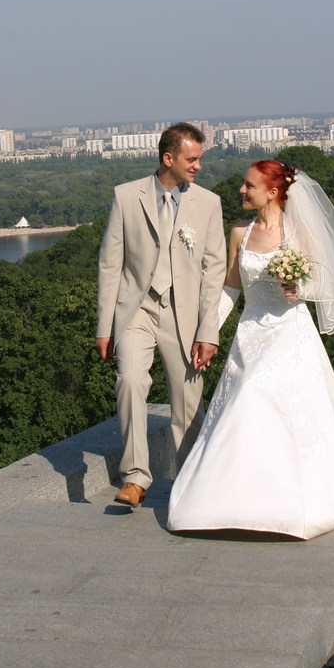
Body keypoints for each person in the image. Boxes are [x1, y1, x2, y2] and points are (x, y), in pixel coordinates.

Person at [167, 159, 334, 538]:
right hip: (250, 334)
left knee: (257, 395)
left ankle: (286, 505)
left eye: (249, 186)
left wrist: (300, 288)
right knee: (245, 404)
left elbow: (323, 284)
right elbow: (230, 289)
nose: (241, 190)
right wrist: (208, 334)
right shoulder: (239, 233)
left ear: (273, 192)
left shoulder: (298, 232)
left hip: (289, 334)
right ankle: (232, 502)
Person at [96, 123, 227, 508]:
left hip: (184, 316)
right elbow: (110, 264)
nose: (198, 166)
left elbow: (214, 271)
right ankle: (136, 477)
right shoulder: (126, 196)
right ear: (168, 158)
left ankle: (190, 483)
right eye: (192, 159)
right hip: (136, 310)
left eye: (199, 159)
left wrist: (209, 331)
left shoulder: (209, 203)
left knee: (187, 402)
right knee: (130, 380)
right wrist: (104, 326)